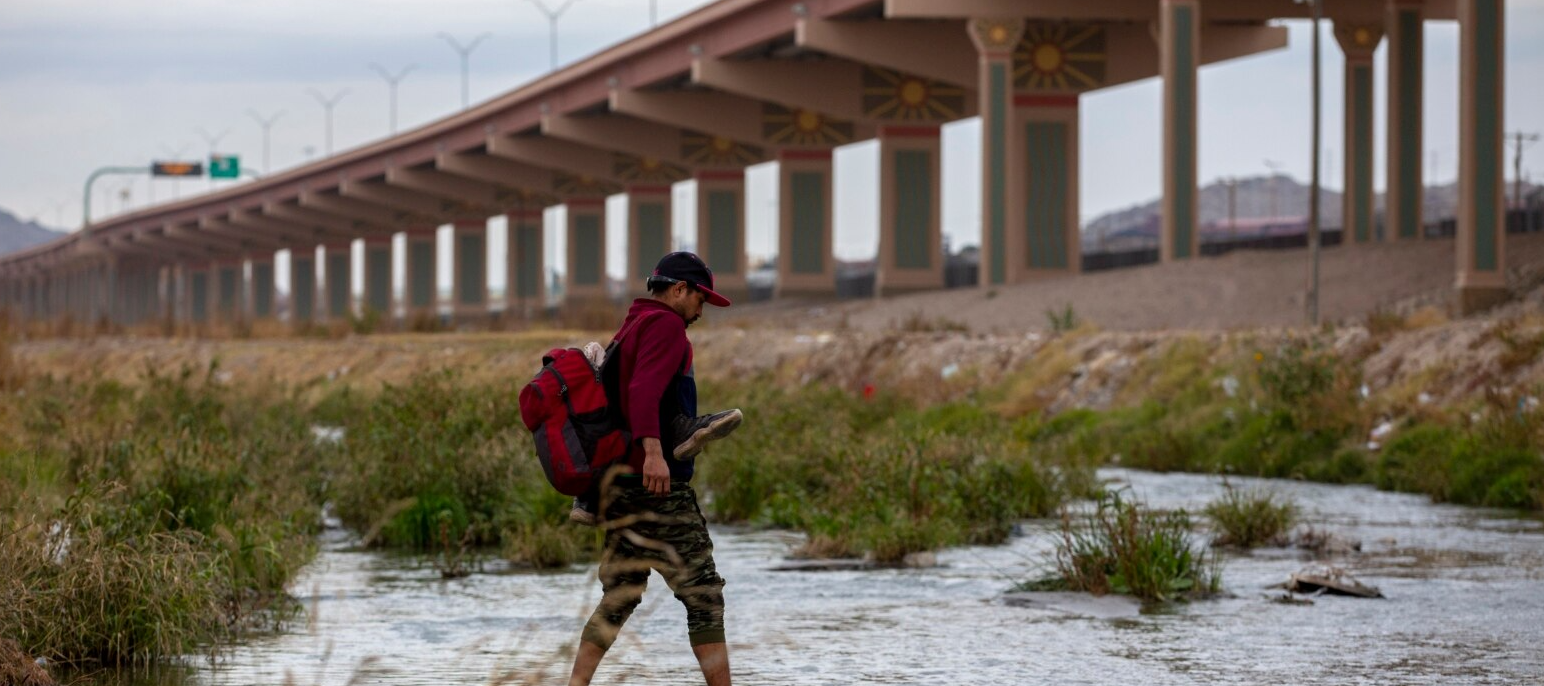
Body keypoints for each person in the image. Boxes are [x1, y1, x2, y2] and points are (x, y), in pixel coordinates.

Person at [568, 252, 739, 686]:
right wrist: (655, 454)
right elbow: (644, 392)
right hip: (655, 483)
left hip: (620, 484)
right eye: (701, 299)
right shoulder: (666, 325)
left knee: (619, 596)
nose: (702, 310)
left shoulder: (631, 325)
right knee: (704, 595)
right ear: (679, 290)